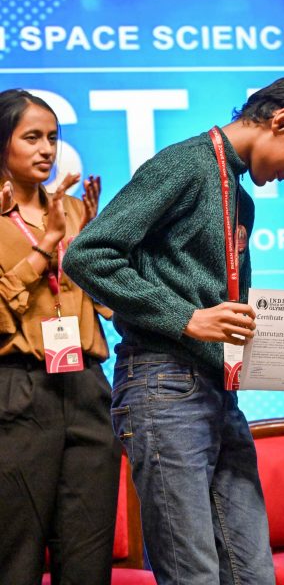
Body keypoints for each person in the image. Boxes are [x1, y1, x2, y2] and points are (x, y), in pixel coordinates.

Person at [62, 74, 284, 585]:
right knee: (191, 573)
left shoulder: (241, 199)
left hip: (218, 393)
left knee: (252, 573)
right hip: (163, 386)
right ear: (283, 121)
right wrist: (185, 317)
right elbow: (88, 255)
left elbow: (231, 320)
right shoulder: (185, 164)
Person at [0, 89, 120, 585]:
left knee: (88, 556)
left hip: (86, 383)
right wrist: (44, 247)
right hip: (18, 390)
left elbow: (109, 304)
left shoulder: (73, 210)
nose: (46, 149)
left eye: (52, 137)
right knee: (16, 554)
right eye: (31, 137)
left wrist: (95, 248)